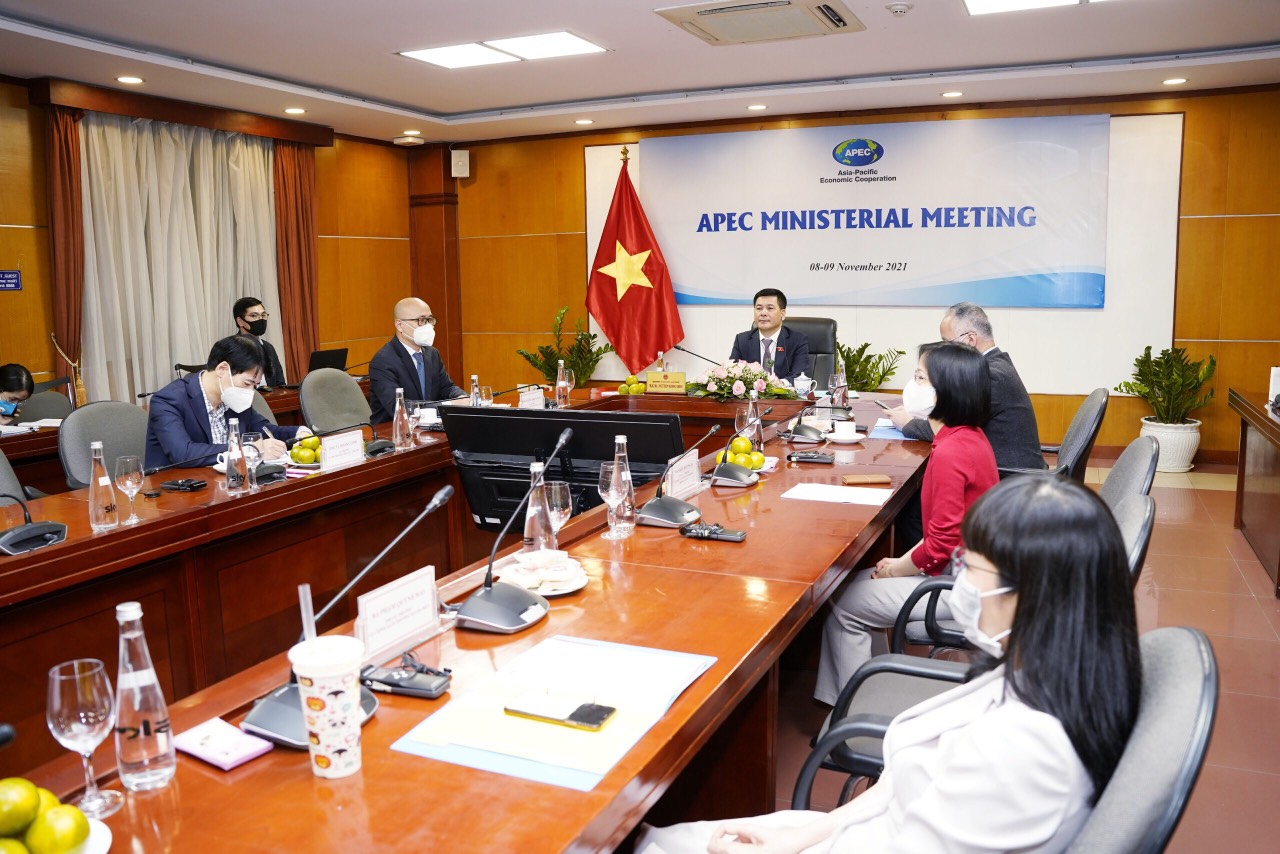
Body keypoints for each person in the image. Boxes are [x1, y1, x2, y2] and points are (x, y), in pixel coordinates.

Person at [638, 476, 1142, 853]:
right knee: (656, 839)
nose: (962, 584)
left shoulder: (1025, 753)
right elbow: (901, 788)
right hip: (855, 833)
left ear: (1033, 595)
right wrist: (800, 837)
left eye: (972, 569)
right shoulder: (1037, 670)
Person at [815, 341, 998, 706]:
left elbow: (942, 543)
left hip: (960, 587)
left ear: (944, 391)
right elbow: (947, 533)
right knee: (852, 585)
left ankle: (852, 714)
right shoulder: (968, 437)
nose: (911, 385)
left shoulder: (951, 451)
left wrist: (897, 569)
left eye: (919, 377)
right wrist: (897, 565)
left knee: (842, 601)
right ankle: (872, 693)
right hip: (970, 573)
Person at [888, 302, 1044, 471]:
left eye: (947, 343)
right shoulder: (995, 364)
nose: (944, 350)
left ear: (970, 339)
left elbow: (950, 429)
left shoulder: (990, 375)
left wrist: (908, 423)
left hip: (1009, 477)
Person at [144, 336, 303, 470]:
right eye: (247, 383)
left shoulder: (232, 397)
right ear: (222, 369)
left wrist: (299, 434)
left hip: (229, 482)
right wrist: (248, 450)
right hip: (178, 489)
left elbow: (264, 430)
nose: (250, 392)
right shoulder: (168, 400)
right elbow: (183, 453)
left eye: (255, 385)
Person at [368, 297, 466, 424]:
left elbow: (446, 388)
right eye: (421, 320)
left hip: (427, 426)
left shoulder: (432, 353)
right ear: (400, 325)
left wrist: (463, 397)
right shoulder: (383, 360)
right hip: (393, 430)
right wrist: (449, 405)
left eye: (430, 320)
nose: (428, 326)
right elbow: (399, 407)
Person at [728, 288, 811, 383]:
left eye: (770, 308)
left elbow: (800, 376)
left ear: (782, 314)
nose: (763, 313)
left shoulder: (797, 340)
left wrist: (773, 386)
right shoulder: (742, 340)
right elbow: (733, 374)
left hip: (783, 391)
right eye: (759, 308)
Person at [233, 297, 286, 388]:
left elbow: (280, 383)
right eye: (254, 315)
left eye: (263, 315)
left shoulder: (268, 347)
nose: (260, 319)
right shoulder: (231, 348)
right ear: (240, 321)